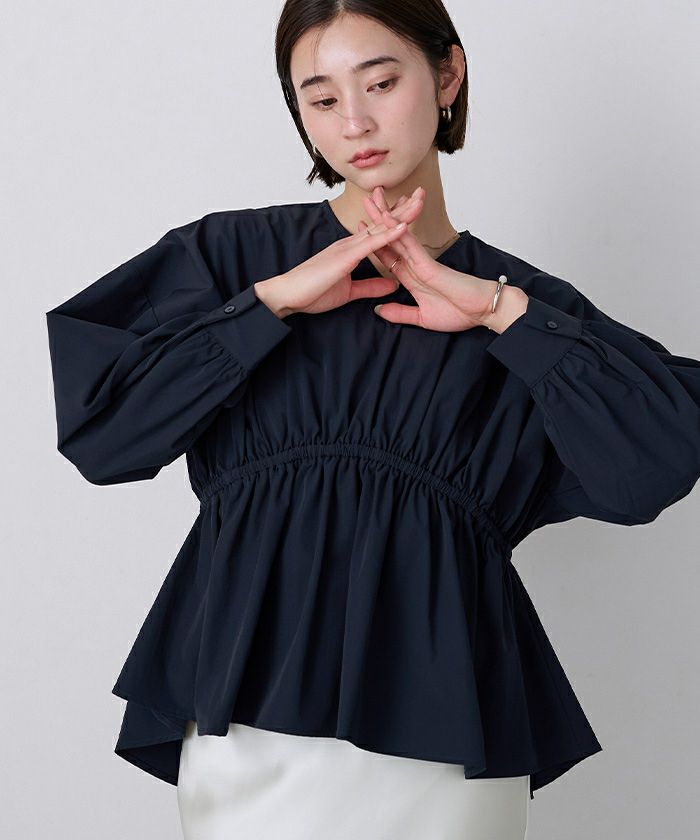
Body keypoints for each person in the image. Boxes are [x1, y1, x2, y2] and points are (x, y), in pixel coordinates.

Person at [45, 2, 700, 839]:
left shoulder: (526, 308)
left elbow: (654, 467)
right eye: (320, 98)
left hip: (444, 735)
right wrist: (268, 307)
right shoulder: (229, 260)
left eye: (381, 83)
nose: (353, 122)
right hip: (248, 725)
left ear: (448, 76)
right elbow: (105, 437)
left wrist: (502, 314)